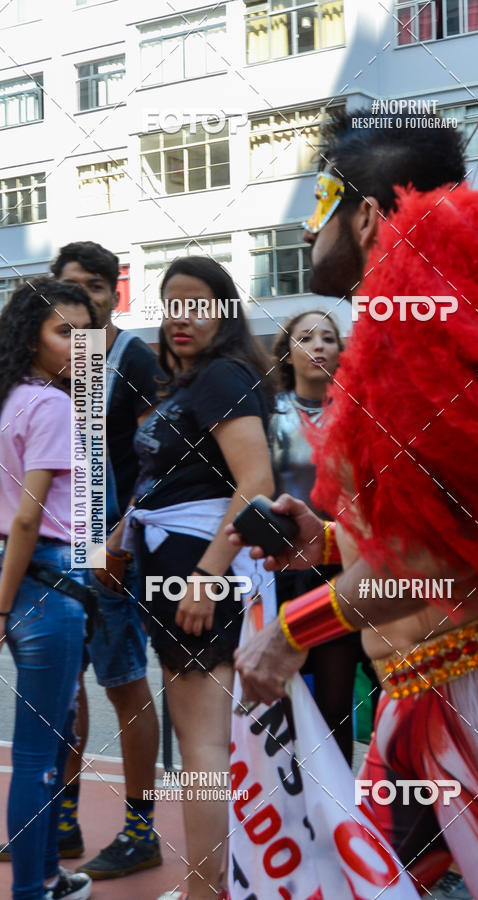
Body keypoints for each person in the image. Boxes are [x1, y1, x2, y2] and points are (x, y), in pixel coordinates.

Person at [228, 109, 478, 899]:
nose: (305, 232)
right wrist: (325, 541)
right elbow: (441, 532)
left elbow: (431, 564)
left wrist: (293, 631)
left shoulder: (417, 331)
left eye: (318, 206)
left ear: (364, 215)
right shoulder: (434, 331)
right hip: (430, 695)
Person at [110, 256, 276, 900]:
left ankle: (207, 888)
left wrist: (204, 579)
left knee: (203, 745)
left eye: (198, 302)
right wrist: (122, 537)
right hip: (177, 564)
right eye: (172, 303)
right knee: (206, 741)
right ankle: (215, 882)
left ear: (225, 310)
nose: (182, 315)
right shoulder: (197, 381)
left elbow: (255, 483)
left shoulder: (223, 377)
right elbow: (169, 482)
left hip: (198, 571)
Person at [50, 242, 163, 880]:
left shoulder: (133, 356)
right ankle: (62, 822)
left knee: (124, 685)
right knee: (62, 690)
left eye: (97, 287)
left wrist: (121, 535)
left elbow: (157, 458)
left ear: (112, 293)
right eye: (73, 286)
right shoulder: (45, 358)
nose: (86, 297)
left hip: (110, 551)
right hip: (52, 548)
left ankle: (141, 828)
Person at [0, 277, 95, 899]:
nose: (81, 346)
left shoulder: (14, 400)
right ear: (31, 336)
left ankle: (49, 878)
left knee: (43, 745)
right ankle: (35, 891)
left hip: (27, 577)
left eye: (87, 334)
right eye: (65, 332)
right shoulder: (56, 407)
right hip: (45, 586)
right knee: (39, 756)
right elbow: (30, 516)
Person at [270, 309, 379, 764]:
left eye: (329, 338)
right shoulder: (266, 414)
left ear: (340, 353)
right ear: (288, 353)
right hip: (280, 567)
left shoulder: (359, 414)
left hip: (339, 566)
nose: (318, 346)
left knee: (334, 704)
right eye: (306, 338)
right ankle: (290, 812)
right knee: (280, 700)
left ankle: (337, 813)